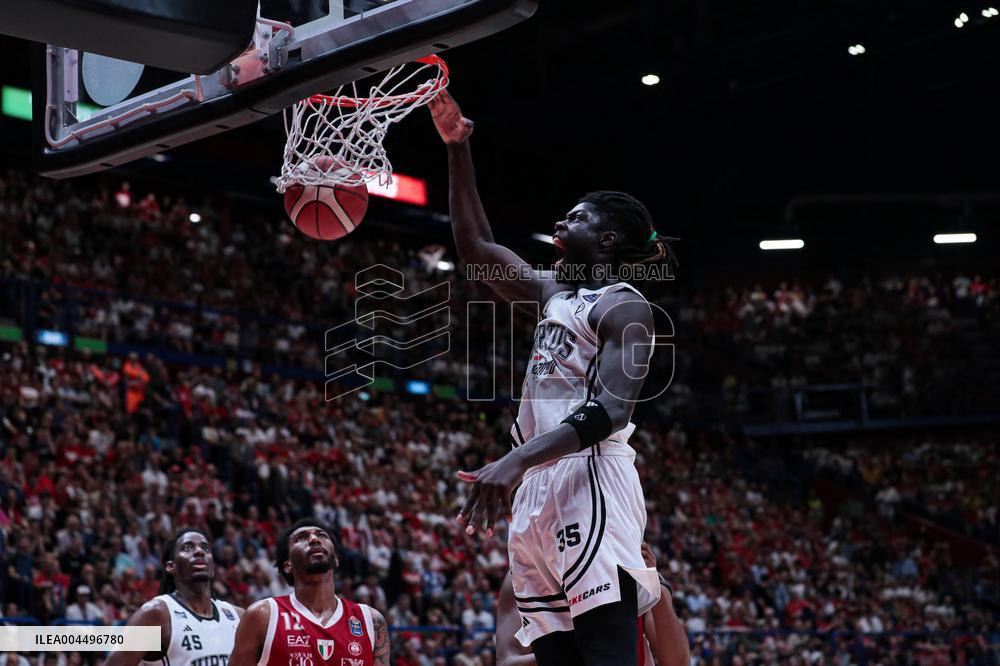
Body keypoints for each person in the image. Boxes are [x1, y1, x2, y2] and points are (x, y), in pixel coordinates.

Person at [429, 90, 676, 666]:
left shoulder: (625, 307)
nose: (563, 220)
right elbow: (476, 249)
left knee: (605, 653)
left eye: (579, 216)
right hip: (537, 487)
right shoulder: (552, 291)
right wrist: (457, 147)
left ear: (608, 238)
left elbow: (613, 411)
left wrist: (515, 460)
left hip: (591, 476)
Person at [228, 518, 391, 666]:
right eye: (301, 538)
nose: (314, 539)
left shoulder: (371, 620)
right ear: (288, 565)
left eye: (322, 535)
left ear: (336, 559)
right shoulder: (263, 616)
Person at [496, 543, 690, 666]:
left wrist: (654, 581)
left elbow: (678, 662)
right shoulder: (524, 574)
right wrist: (580, 650)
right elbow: (507, 662)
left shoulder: (627, 559)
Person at [105, 529, 243, 666]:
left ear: (212, 569)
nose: (199, 551)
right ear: (171, 566)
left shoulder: (238, 616)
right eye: (188, 547)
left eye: (205, 548)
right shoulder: (156, 615)